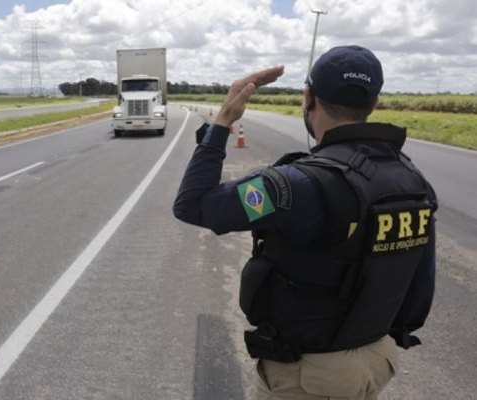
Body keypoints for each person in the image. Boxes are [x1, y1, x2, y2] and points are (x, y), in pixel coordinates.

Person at [173, 45, 438, 399]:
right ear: (373, 104)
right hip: (377, 359)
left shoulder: (297, 184)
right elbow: (421, 283)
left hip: (312, 376)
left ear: (308, 98)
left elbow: (192, 205)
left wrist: (222, 122)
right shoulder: (412, 179)